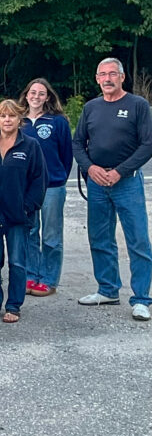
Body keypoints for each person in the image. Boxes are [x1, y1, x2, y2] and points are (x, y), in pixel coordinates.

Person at [72, 57, 152, 321]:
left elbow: (147, 145)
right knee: (99, 238)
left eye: (112, 74)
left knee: (138, 240)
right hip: (97, 183)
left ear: (122, 77)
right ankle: (107, 289)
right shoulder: (91, 107)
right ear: (97, 79)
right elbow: (77, 143)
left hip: (126, 181)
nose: (107, 79)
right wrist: (90, 168)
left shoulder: (138, 105)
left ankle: (141, 299)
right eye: (102, 75)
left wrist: (121, 171)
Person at [0, 100, 47, 324]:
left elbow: (39, 180)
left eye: (12, 116)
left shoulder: (31, 145)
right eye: (3, 116)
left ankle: (14, 305)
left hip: (18, 216)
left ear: (19, 120)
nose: (7, 120)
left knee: (17, 261)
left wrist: (27, 207)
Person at [20, 78, 73, 297]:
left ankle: (49, 280)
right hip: (25, 187)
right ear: (26, 94)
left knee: (51, 235)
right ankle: (31, 275)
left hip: (52, 186)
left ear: (48, 97)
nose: (36, 97)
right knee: (30, 231)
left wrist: (58, 178)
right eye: (33, 92)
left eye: (41, 93)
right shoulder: (19, 120)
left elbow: (67, 155)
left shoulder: (57, 121)